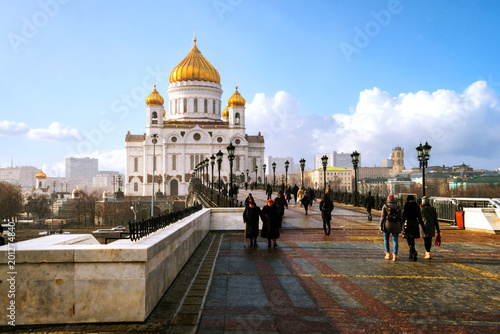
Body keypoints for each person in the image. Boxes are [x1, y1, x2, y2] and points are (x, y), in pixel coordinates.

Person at [402, 195, 426, 261]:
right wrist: (423, 227)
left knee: (408, 237)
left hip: (408, 223)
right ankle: (411, 251)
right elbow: (420, 217)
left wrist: (401, 224)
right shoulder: (417, 206)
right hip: (415, 223)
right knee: (412, 238)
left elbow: (404, 216)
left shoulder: (406, 206)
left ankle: (413, 250)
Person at [380, 194, 402, 261]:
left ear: (388, 199)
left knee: (386, 239)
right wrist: (401, 226)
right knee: (395, 240)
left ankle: (387, 254)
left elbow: (382, 217)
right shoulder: (398, 207)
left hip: (387, 225)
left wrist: (381, 226)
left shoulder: (385, 206)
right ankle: (395, 255)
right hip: (396, 225)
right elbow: (401, 217)